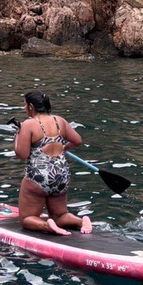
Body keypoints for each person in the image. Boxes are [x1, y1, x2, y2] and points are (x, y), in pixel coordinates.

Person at [13, 90, 92, 236]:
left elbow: (22, 154)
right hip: (61, 175)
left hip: (39, 177)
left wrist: (18, 135)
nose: (24, 109)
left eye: (25, 105)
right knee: (59, 215)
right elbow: (77, 141)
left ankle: (47, 226)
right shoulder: (59, 120)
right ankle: (81, 221)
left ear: (31, 106)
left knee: (27, 219)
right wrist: (63, 147)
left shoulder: (28, 124)